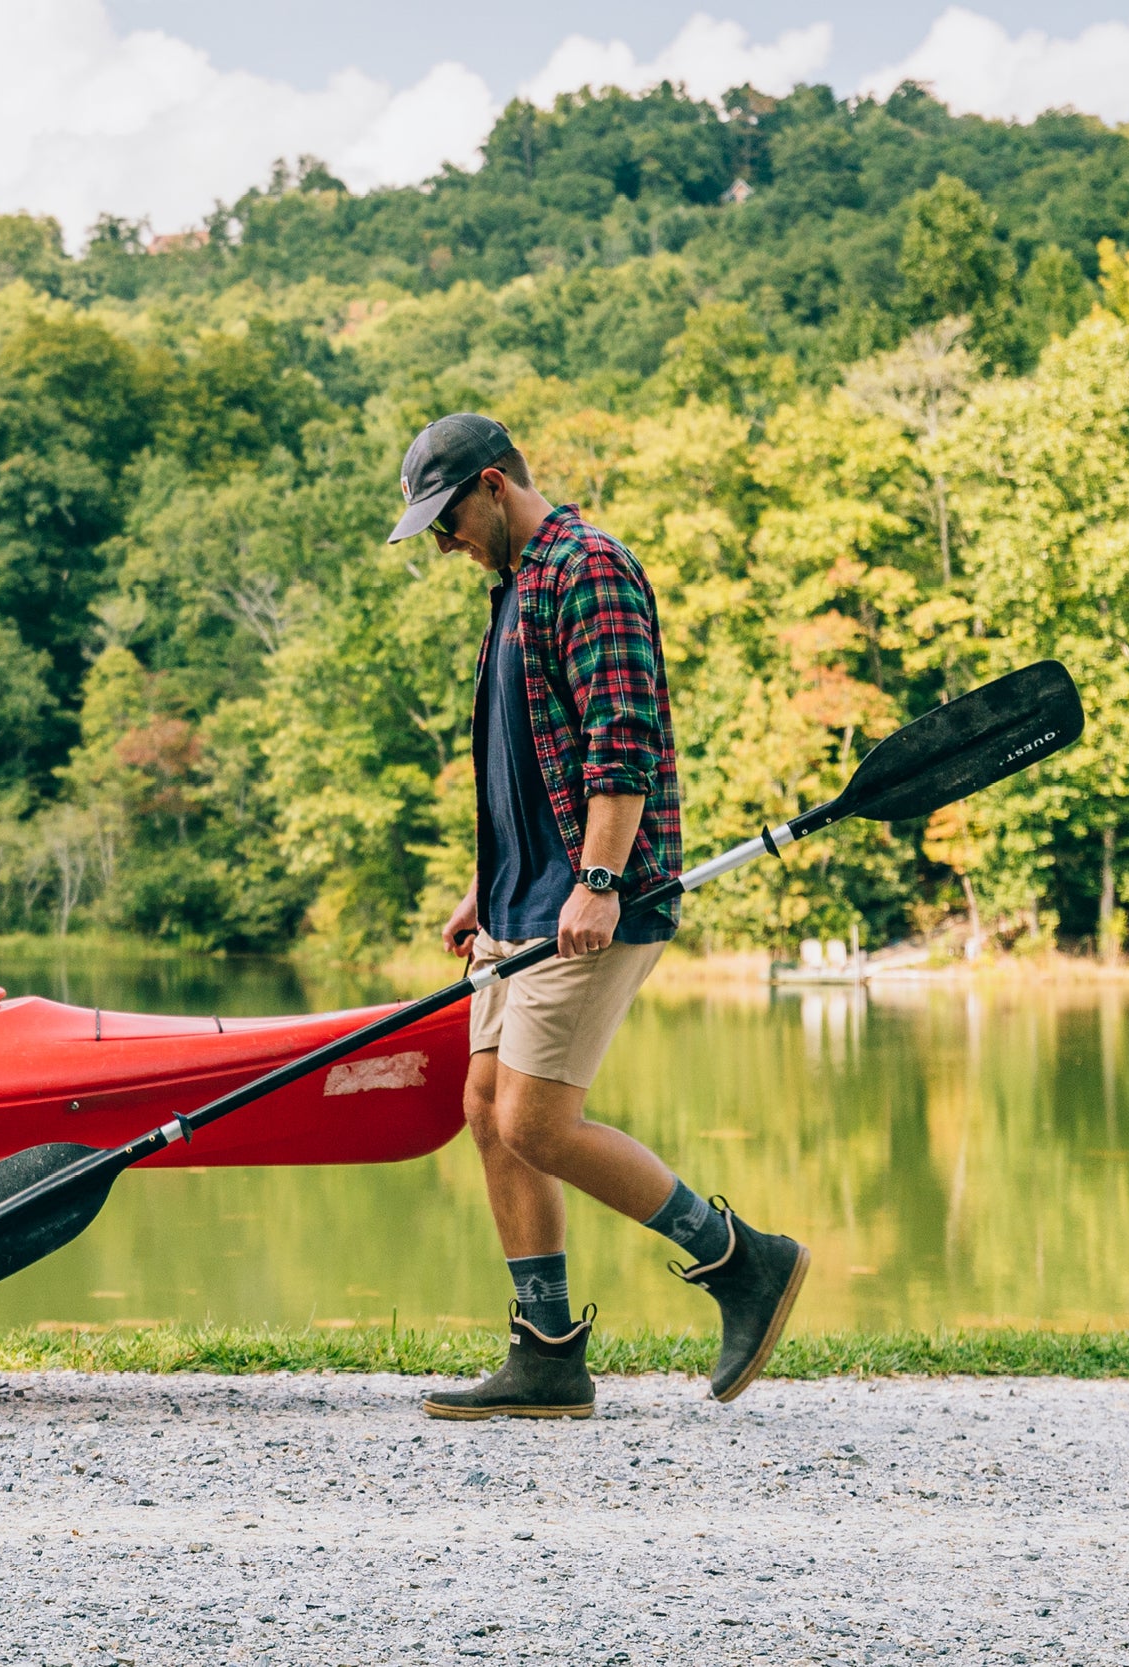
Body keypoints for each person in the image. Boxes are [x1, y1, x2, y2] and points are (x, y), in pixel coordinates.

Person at [384, 413, 809, 1420]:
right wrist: (489, 883)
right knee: (487, 1112)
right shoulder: (514, 588)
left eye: (447, 520)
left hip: (594, 903)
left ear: (495, 484)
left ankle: (742, 1258)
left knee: (538, 1118)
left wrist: (601, 880)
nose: (442, 543)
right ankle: (546, 1352)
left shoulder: (589, 568)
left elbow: (625, 738)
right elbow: (526, 764)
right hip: (522, 901)